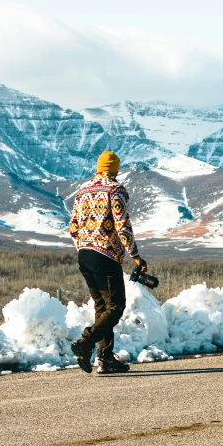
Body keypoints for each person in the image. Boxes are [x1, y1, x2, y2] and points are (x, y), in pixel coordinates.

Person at [68, 150, 148, 374]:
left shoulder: (83, 191)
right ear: (115, 169)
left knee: (102, 307)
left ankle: (105, 359)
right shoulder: (116, 190)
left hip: (84, 255)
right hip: (106, 256)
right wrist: (135, 255)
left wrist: (85, 245)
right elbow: (122, 226)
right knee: (115, 306)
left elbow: (73, 227)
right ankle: (87, 341)